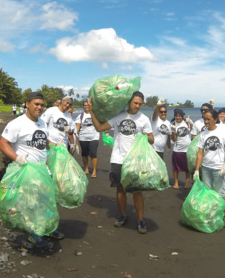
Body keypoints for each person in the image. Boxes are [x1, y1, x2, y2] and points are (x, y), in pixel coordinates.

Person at [0, 91, 64, 248]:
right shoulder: (17, 124)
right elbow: (3, 143)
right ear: (27, 104)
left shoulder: (41, 122)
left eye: (42, 105)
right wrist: (17, 158)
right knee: (32, 203)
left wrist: (55, 146)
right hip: (26, 170)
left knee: (47, 200)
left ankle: (48, 228)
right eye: (36, 104)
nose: (39, 107)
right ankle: (35, 235)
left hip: (42, 169)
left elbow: (43, 141)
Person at [89, 91, 154, 234]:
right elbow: (99, 128)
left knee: (137, 191)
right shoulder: (118, 116)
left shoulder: (144, 119)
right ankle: (123, 215)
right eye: (135, 103)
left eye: (140, 104)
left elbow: (152, 139)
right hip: (118, 158)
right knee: (120, 189)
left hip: (136, 160)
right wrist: (91, 111)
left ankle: (141, 220)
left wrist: (145, 137)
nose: (137, 106)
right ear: (129, 102)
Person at [194, 108, 225, 227]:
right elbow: (200, 152)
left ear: (215, 120)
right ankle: (211, 214)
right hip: (206, 168)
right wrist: (196, 169)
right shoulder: (203, 134)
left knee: (220, 192)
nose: (206, 121)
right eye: (205, 119)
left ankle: (223, 215)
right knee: (208, 192)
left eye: (208, 119)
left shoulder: (222, 131)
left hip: (218, 168)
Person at [75, 101, 99, 177]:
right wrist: (75, 135)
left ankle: (94, 171)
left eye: (88, 105)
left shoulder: (95, 115)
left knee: (93, 154)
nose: (86, 107)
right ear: (83, 107)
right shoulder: (80, 116)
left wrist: (106, 132)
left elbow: (101, 123)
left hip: (94, 137)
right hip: (83, 137)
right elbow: (77, 126)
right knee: (84, 154)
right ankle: (86, 168)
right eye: (85, 105)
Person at [170, 108, 191, 188]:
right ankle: (176, 182)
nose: (178, 117)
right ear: (175, 116)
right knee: (175, 167)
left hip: (188, 149)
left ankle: (187, 182)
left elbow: (193, 130)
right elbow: (174, 139)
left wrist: (190, 122)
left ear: (182, 116)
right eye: (176, 116)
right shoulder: (173, 125)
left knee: (188, 167)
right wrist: (173, 132)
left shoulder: (186, 123)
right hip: (177, 149)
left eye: (180, 116)